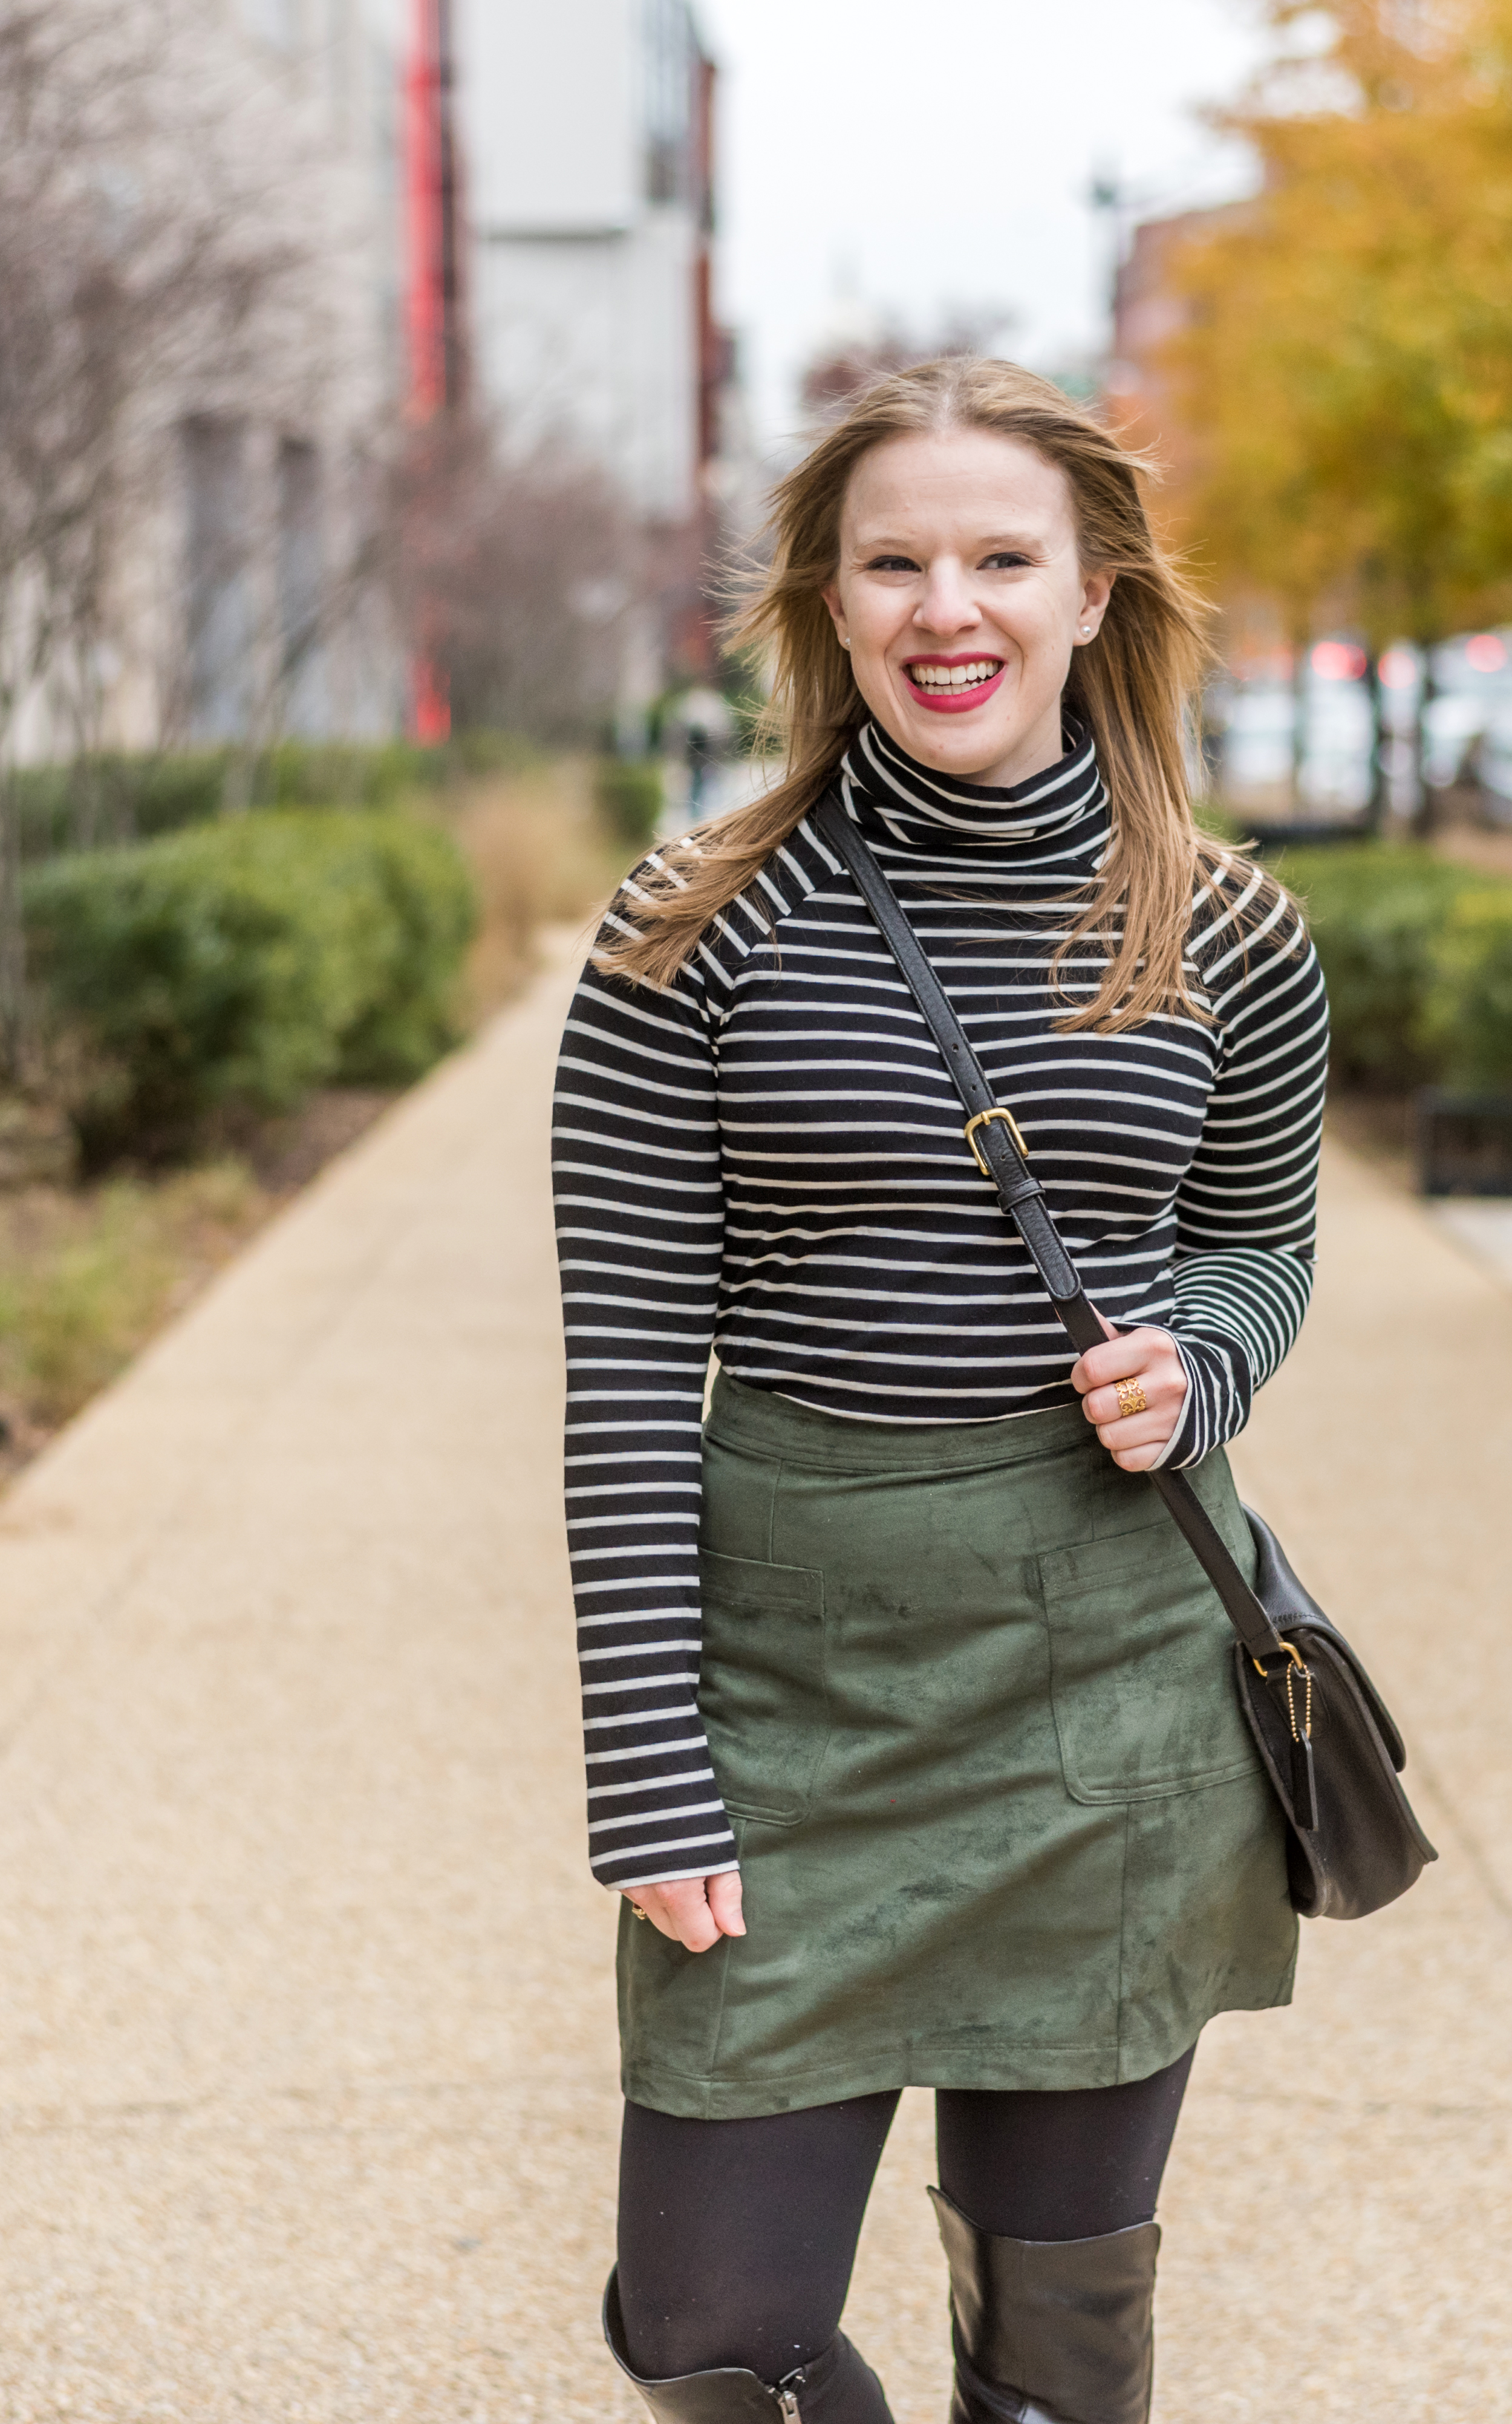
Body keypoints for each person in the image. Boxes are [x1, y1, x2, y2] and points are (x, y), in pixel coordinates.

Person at [550, 356, 1329, 2423]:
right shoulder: (692, 930)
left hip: (1118, 1686)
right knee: (713, 2333)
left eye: (1001, 557)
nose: (945, 608)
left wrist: (1205, 1365)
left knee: (1063, 2352)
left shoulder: (1226, 929)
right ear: (824, 605)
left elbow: (1261, 1241)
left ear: (1096, 594)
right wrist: (648, 1758)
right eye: (891, 563)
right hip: (798, 1690)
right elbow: (625, 1369)